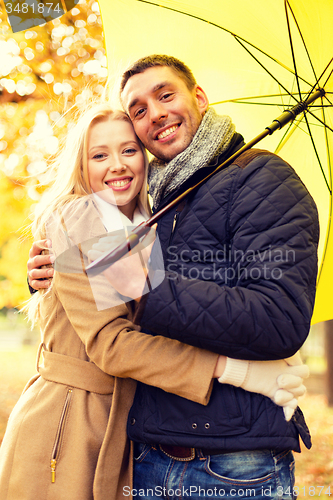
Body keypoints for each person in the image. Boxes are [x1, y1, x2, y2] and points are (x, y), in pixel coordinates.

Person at [0, 103, 306, 500]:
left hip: (121, 423)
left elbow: (174, 306)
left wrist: (267, 347)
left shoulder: (143, 226)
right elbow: (115, 344)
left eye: (129, 151)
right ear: (81, 165)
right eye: (99, 155)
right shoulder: (81, 216)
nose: (117, 166)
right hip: (68, 422)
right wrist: (241, 371)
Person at [88, 55, 319, 499]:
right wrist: (49, 270)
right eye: (138, 110)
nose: (154, 114)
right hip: (148, 459)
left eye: (165, 95)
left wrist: (150, 287)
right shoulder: (153, 201)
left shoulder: (263, 179)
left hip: (235, 468)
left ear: (199, 98)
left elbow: (279, 319)